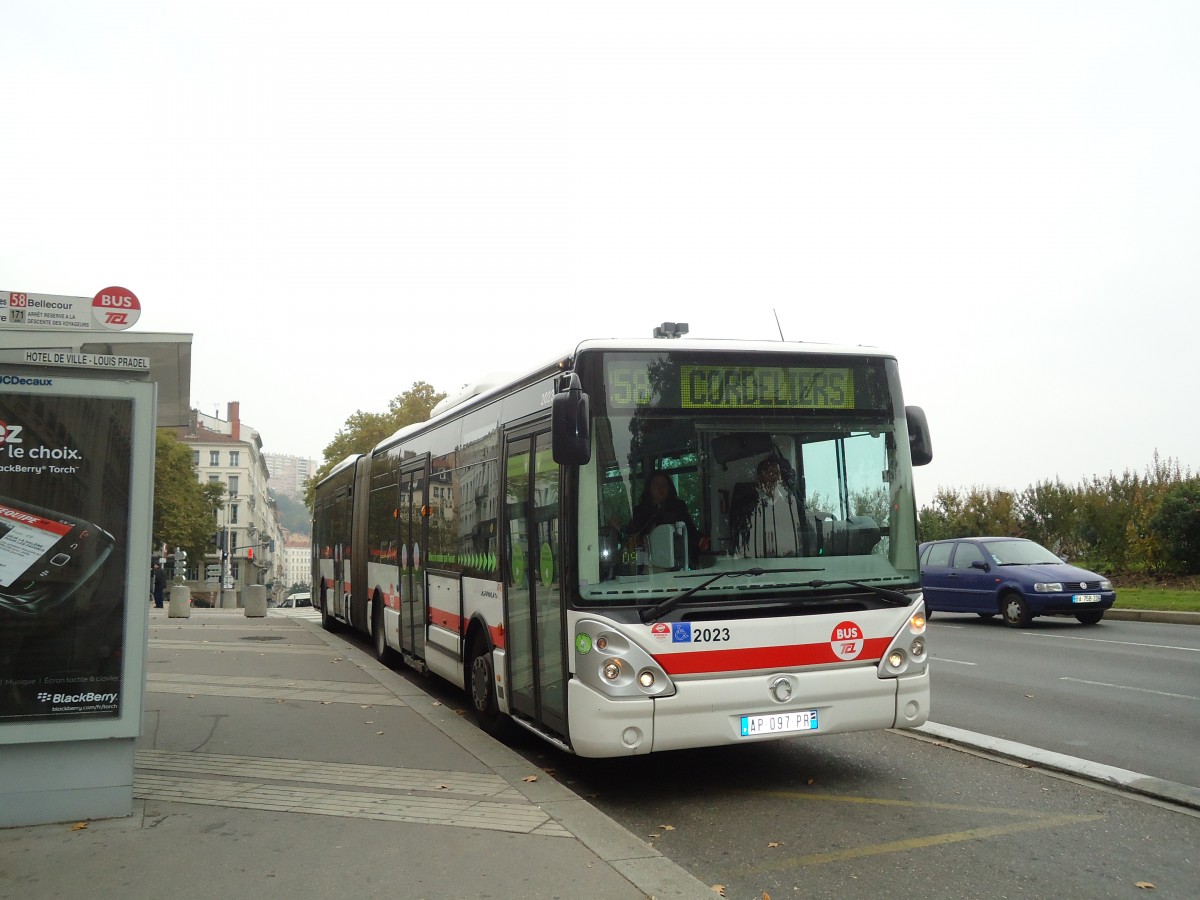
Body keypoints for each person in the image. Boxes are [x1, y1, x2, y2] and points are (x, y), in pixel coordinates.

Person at [729, 456, 816, 558]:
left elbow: (807, 536)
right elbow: (740, 537)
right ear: (760, 477)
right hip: (755, 563)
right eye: (770, 473)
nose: (775, 477)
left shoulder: (793, 504)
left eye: (777, 473)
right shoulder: (747, 505)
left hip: (789, 561)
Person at [612, 472, 709, 561]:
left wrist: (701, 540)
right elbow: (632, 535)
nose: (660, 488)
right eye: (656, 484)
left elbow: (689, 530)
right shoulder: (640, 511)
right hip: (647, 561)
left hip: (675, 559)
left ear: (669, 488)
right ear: (649, 488)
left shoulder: (678, 507)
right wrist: (620, 529)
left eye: (664, 484)